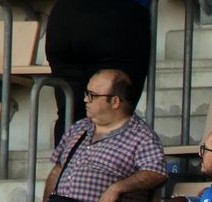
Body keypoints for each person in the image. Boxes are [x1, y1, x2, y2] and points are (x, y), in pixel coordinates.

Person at [2, 68, 165, 202]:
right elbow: (57, 170)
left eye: (93, 95)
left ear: (115, 102)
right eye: (87, 93)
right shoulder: (79, 127)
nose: (86, 100)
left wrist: (117, 188)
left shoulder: (141, 135)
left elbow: (156, 173)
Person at [43, 0, 151, 140]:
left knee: (70, 114)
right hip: (116, 17)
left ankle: (67, 161)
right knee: (112, 114)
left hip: (63, 16)